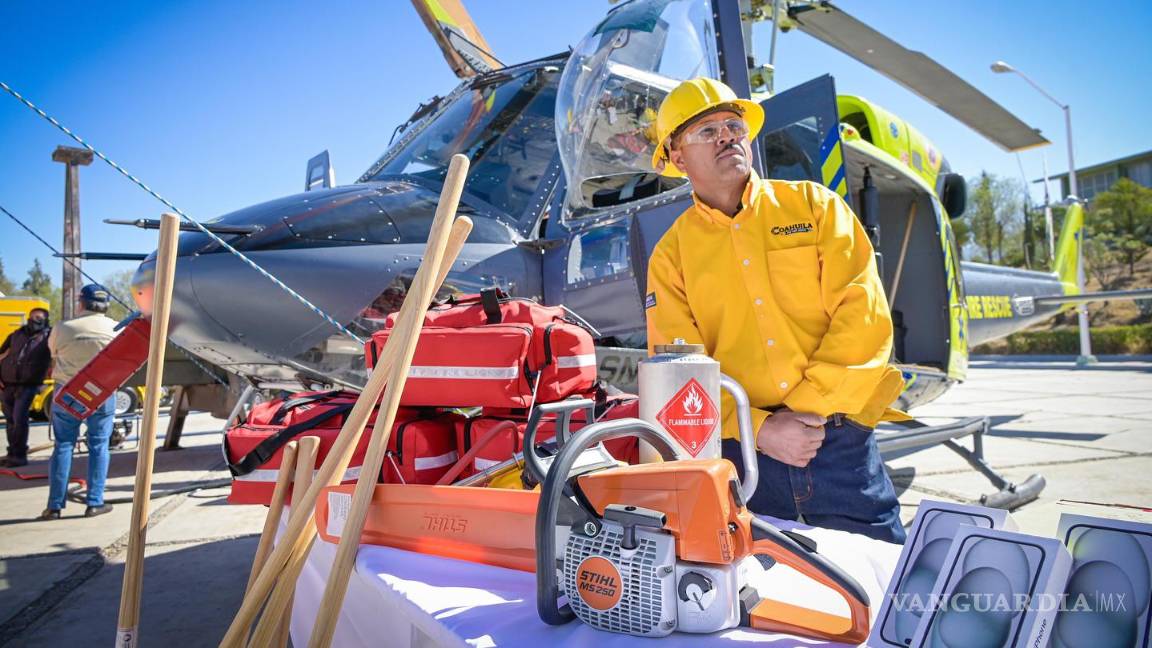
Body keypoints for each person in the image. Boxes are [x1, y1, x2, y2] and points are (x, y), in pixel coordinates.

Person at [644, 78, 908, 543]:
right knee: (765, 599)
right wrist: (763, 431)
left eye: (733, 123)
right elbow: (680, 372)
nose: (727, 135)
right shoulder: (670, 256)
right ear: (677, 158)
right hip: (748, 455)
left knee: (884, 586)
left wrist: (804, 416)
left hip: (838, 440)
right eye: (707, 131)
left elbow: (862, 316)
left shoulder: (816, 206)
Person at [40, 284, 120, 520]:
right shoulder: (116, 328)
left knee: (63, 444)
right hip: (101, 392)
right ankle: (95, 503)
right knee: (99, 446)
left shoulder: (63, 328)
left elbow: (53, 353)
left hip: (67, 392)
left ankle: (54, 507)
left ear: (81, 302)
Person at [0, 307, 53, 468]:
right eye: (33, 317)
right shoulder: (16, 335)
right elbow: (1, 355)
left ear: (45, 320)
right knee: (10, 420)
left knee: (19, 419)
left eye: (39, 318)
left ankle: (19, 455)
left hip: (28, 385)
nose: (35, 320)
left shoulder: (49, 337)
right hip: (6, 384)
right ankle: (12, 453)